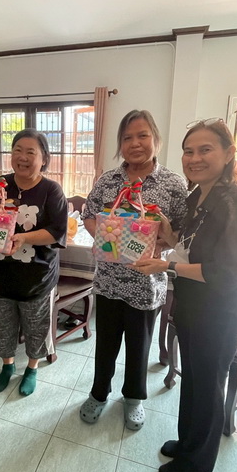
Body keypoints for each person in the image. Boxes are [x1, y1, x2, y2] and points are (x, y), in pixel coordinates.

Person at [133, 118, 237, 472]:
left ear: (228, 153)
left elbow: (227, 272)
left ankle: (198, 464)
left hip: (218, 314)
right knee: (193, 380)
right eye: (189, 151)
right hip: (191, 305)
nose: (194, 158)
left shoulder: (236, 203)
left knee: (207, 387)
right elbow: (188, 247)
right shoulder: (197, 196)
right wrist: (166, 231)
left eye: (205, 150)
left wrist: (166, 265)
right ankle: (188, 442)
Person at [79, 110, 188, 430]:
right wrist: (107, 238)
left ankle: (134, 397)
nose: (135, 143)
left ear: (156, 140)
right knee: (105, 344)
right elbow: (88, 215)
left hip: (146, 283)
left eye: (143, 136)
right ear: (120, 144)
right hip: (108, 282)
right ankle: (99, 393)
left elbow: (181, 233)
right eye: (127, 137)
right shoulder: (108, 180)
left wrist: (160, 241)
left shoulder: (172, 183)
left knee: (139, 347)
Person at [0, 128, 67, 397]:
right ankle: (7, 365)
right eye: (17, 150)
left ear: (44, 159)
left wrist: (23, 238)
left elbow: (57, 231)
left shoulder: (51, 190)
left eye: (31, 152)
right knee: (2, 325)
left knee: (36, 327)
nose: (22, 157)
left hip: (36, 278)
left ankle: (32, 367)